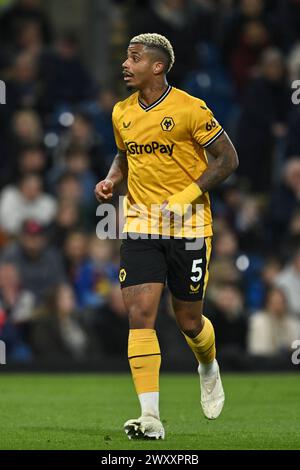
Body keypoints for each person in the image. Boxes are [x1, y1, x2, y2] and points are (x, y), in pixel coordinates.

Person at [95, 33, 239, 440]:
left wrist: (187, 195)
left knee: (188, 320)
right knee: (140, 314)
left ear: (157, 66)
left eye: (134, 57)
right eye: (126, 56)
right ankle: (151, 417)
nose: (125, 63)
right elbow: (125, 155)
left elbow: (228, 158)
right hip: (140, 224)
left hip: (190, 226)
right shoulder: (121, 112)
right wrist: (110, 180)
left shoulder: (191, 109)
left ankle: (208, 364)